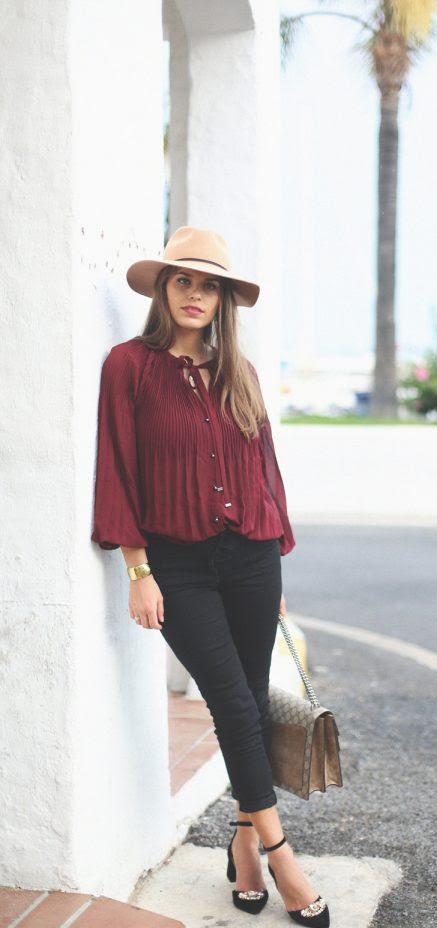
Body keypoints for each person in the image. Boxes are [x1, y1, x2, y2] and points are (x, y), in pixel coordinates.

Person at [91, 226, 330, 926]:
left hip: (252, 557)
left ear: (223, 300)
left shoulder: (238, 372)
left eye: (209, 286)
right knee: (229, 699)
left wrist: (275, 558)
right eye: (183, 281)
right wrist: (138, 569)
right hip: (178, 564)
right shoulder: (128, 366)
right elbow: (116, 468)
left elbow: (263, 468)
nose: (195, 295)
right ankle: (282, 855)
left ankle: (242, 844)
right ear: (164, 290)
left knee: (249, 701)